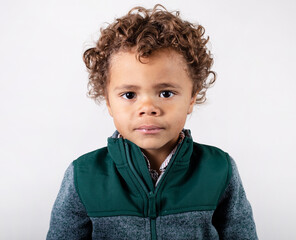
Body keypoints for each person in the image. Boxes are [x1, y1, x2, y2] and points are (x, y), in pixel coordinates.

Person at [47, 4, 258, 239]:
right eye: (129, 95)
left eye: (166, 93)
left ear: (191, 98)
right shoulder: (83, 175)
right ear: (108, 102)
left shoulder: (219, 168)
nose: (148, 108)